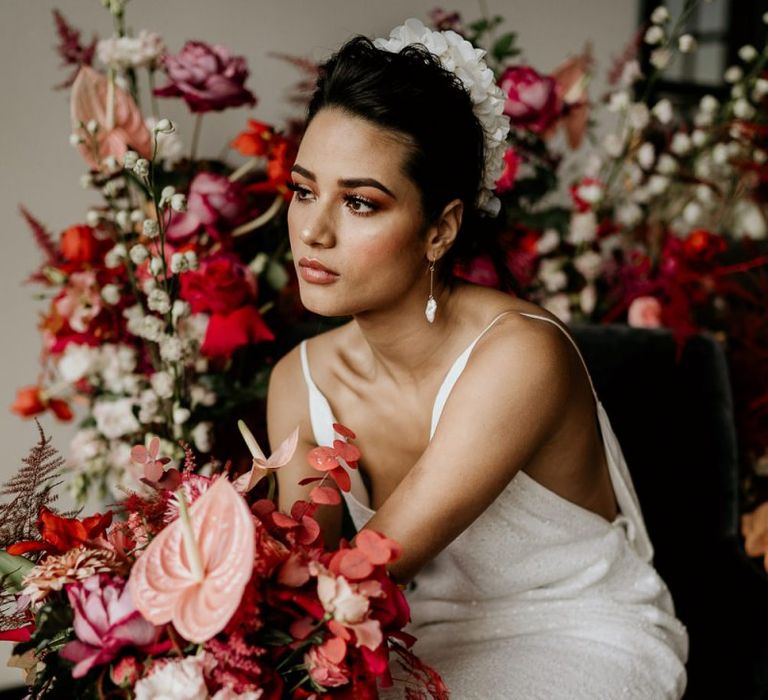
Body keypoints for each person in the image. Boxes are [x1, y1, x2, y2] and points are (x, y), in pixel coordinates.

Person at [267, 18, 688, 699]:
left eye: (361, 203)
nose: (313, 230)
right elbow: (298, 590)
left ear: (440, 229)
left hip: (576, 635)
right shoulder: (299, 383)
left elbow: (363, 572)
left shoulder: (521, 355)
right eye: (305, 189)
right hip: (411, 643)